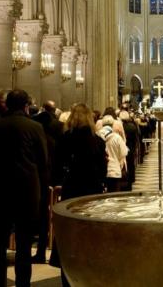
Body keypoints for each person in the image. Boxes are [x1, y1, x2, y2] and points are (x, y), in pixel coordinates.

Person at [0, 89, 47, 287]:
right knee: (24, 244)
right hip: (27, 193)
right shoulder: (35, 127)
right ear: (26, 105)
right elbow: (43, 162)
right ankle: (23, 284)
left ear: (7, 104)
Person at [51, 104, 107, 287]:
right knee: (90, 232)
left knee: (69, 231)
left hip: (72, 188)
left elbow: (57, 163)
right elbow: (103, 168)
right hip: (92, 190)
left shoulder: (66, 138)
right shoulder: (97, 140)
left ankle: (67, 278)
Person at [31, 101, 64, 263]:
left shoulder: (37, 139)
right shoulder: (55, 137)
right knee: (45, 217)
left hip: (35, 181)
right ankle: (43, 248)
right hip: (49, 180)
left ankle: (35, 249)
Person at [98, 115, 129, 192]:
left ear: (102, 124)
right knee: (113, 197)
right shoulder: (116, 137)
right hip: (114, 170)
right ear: (112, 125)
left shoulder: (96, 136)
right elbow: (124, 152)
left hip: (99, 171)